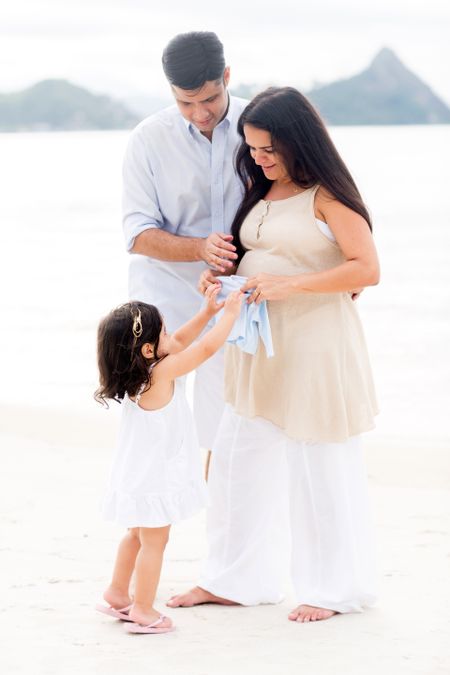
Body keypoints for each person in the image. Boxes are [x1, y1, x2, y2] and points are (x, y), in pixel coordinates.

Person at [167, 86, 380, 623]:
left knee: (318, 468)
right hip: (255, 345)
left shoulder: (327, 196)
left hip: (315, 345)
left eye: (269, 149)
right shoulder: (261, 190)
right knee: (238, 460)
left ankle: (332, 589)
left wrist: (292, 286)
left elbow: (365, 269)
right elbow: (263, 256)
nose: (259, 158)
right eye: (252, 148)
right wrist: (221, 280)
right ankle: (234, 580)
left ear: (299, 142)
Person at [122, 32, 248, 472]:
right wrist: (199, 247)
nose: (201, 113)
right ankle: (150, 535)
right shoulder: (147, 139)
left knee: (227, 431)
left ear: (227, 76)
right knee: (156, 430)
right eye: (185, 103)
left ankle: (221, 532)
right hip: (164, 305)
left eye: (210, 98)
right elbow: (137, 233)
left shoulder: (261, 126)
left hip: (236, 305)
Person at [94, 287, 243, 634]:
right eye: (161, 332)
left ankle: (117, 593)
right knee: (155, 543)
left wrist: (207, 312)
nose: (169, 335)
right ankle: (143, 609)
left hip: (136, 474)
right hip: (155, 478)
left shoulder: (138, 373)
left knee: (136, 534)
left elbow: (178, 340)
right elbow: (204, 348)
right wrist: (230, 316)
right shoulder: (161, 373)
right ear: (148, 349)